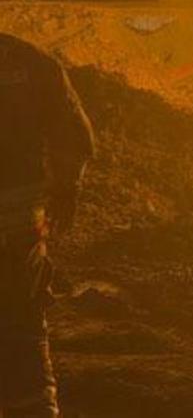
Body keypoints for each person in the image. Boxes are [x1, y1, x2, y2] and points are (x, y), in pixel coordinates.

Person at [0, 33, 94, 418]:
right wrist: (67, 189)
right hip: (21, 220)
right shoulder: (32, 61)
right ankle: (36, 407)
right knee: (24, 314)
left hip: (19, 216)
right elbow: (73, 131)